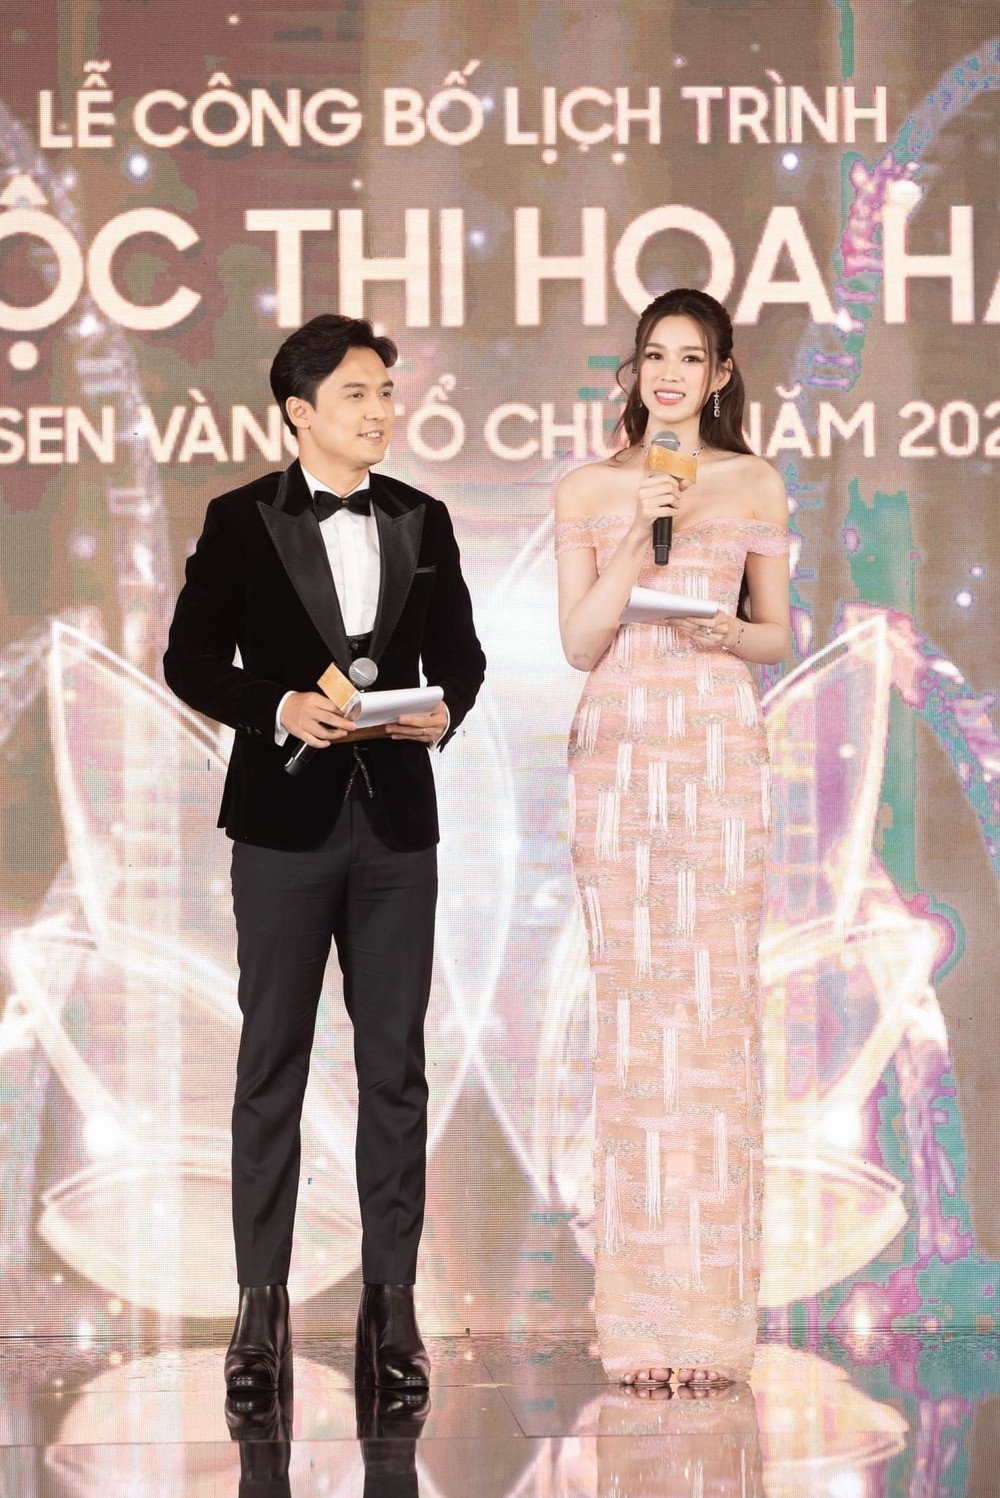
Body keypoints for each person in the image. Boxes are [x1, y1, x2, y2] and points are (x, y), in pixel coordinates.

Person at [163, 313, 486, 1397]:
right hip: (281, 828)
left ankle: (392, 1309)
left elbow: (463, 656)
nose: (381, 409)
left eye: (386, 391)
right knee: (271, 1066)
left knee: (395, 1067)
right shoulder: (239, 518)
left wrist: (444, 711)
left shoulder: (423, 517)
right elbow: (190, 660)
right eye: (358, 392)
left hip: (396, 827)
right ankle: (259, 1311)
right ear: (300, 411)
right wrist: (279, 707)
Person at [554, 288, 789, 1388]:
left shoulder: (753, 482)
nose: (670, 375)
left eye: (691, 358)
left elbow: (777, 632)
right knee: (636, 1028)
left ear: (722, 374)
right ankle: (640, 1321)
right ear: (634, 368)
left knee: (712, 1023)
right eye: (655, 355)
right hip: (620, 756)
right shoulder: (591, 488)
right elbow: (577, 640)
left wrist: (730, 629)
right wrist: (633, 539)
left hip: (715, 752)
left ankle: (710, 1322)